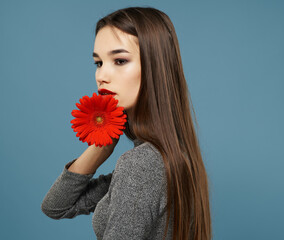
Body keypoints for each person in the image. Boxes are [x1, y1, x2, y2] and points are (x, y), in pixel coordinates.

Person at [41, 6, 212, 240]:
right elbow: (56, 206)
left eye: (119, 61)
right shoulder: (171, 155)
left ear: (154, 68)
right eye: (99, 63)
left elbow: (56, 209)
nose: (101, 76)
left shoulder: (141, 164)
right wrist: (101, 147)